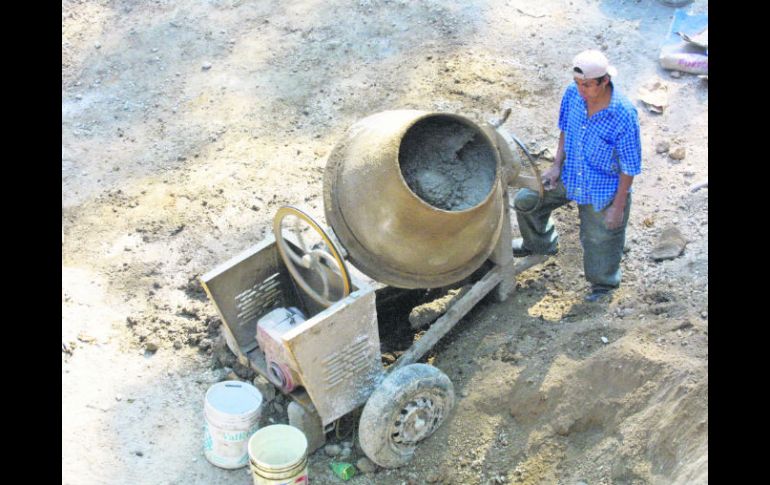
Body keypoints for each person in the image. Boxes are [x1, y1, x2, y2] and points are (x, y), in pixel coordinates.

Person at [512, 49, 641, 302]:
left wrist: (618, 206)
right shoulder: (572, 95)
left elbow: (630, 166)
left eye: (587, 85)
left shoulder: (623, 114)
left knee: (599, 238)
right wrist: (556, 165)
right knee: (527, 201)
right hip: (570, 174)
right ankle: (540, 244)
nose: (582, 90)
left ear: (605, 81)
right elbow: (565, 131)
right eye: (578, 83)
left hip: (603, 187)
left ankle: (604, 285)